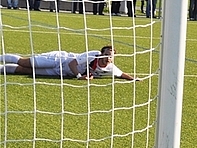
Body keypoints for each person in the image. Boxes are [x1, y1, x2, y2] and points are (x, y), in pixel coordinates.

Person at [0, 45, 138, 80]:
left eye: (111, 56)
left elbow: (121, 74)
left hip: (60, 72)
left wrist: (134, 79)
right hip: (59, 59)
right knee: (25, 63)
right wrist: (80, 77)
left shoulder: (109, 68)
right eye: (107, 54)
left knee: (25, 71)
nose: (108, 58)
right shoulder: (92, 55)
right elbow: (73, 63)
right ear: (101, 54)